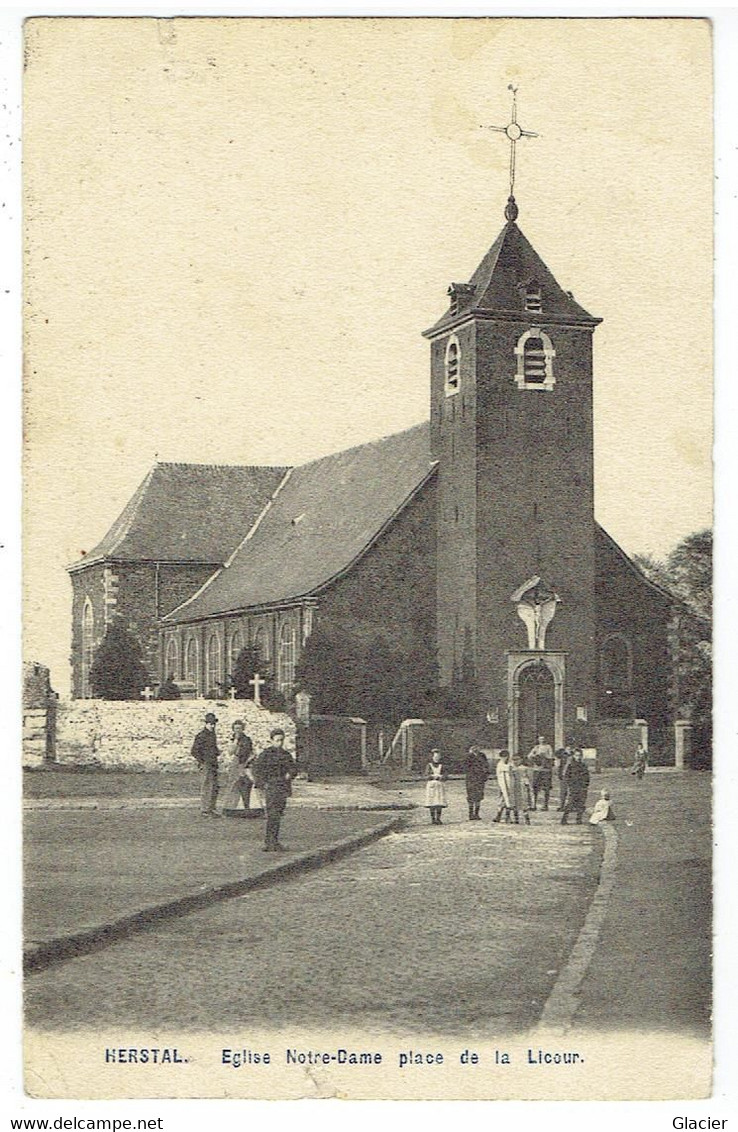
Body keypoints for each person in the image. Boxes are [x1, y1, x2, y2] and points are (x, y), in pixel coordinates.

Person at [251, 728, 296, 851]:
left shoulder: (286, 755)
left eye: (282, 740)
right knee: (273, 814)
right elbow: (256, 770)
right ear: (271, 741)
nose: (280, 743)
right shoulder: (265, 755)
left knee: (278, 814)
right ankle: (270, 842)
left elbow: (293, 768)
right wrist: (262, 784)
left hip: (282, 787)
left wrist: (290, 774)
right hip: (271, 787)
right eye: (277, 740)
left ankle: (273, 841)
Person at [221, 719, 255, 816]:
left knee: (246, 785)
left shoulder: (247, 739)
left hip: (244, 763)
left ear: (243, 729)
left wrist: (247, 763)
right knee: (233, 785)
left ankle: (246, 808)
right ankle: (230, 808)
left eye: (239, 728)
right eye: (236, 728)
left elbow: (251, 752)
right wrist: (235, 740)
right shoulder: (232, 740)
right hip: (235, 764)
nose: (237, 730)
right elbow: (230, 752)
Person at [191, 711, 221, 817]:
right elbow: (194, 751)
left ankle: (211, 808)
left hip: (213, 764)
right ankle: (204, 809)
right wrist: (202, 761)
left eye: (213, 724)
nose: (212, 726)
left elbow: (213, 749)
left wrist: (217, 752)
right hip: (206, 764)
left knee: (215, 786)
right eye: (210, 723)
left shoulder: (213, 735)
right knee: (207, 786)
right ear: (206, 723)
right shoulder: (201, 735)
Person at [560, 748, 590, 825]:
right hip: (574, 786)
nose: (578, 757)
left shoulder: (583, 765)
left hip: (582, 786)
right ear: (573, 756)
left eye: (580, 755)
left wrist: (585, 784)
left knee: (581, 803)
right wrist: (570, 784)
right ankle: (564, 819)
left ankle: (579, 819)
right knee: (570, 802)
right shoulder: (570, 765)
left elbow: (587, 776)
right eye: (577, 755)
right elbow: (567, 776)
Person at [528, 734, 554, 811]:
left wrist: (545, 755)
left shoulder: (548, 747)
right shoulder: (536, 747)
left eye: (543, 739)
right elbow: (529, 756)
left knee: (546, 788)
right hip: (537, 770)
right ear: (538, 740)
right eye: (540, 739)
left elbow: (551, 757)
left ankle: (545, 805)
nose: (542, 740)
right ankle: (534, 805)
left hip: (546, 770)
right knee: (535, 787)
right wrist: (535, 755)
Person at [465, 745, 489, 821]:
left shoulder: (482, 755)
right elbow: (465, 767)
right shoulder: (468, 756)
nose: (476, 749)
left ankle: (476, 813)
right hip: (471, 779)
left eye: (477, 747)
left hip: (480, 779)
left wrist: (485, 775)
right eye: (474, 747)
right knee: (471, 796)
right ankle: (470, 814)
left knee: (479, 796)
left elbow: (486, 765)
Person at [424, 749, 448, 825]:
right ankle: (433, 819)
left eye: (438, 756)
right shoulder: (429, 765)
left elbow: (445, 775)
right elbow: (426, 775)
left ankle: (438, 818)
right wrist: (433, 777)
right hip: (432, 785)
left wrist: (442, 777)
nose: (436, 758)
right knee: (432, 801)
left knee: (439, 801)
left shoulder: (442, 766)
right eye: (435, 756)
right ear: (432, 757)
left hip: (440, 785)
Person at [509, 752, 533, 825]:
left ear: (521, 760)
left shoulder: (524, 768)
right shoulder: (511, 768)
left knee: (523, 802)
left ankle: (526, 819)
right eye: (513, 760)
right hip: (514, 786)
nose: (515, 761)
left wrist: (528, 785)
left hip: (522, 786)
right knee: (514, 802)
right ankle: (516, 819)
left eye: (517, 759)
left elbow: (529, 778)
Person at [492, 749, 513, 823]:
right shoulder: (500, 764)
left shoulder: (511, 763)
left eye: (505, 756)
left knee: (509, 800)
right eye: (502, 756)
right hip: (503, 784)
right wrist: (499, 785)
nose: (504, 758)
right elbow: (498, 775)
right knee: (502, 800)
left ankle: (508, 816)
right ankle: (498, 815)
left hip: (511, 784)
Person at [555, 746, 571, 811]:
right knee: (563, 792)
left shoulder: (573, 758)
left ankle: (569, 806)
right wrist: (559, 774)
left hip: (571, 776)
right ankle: (562, 806)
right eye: (567, 749)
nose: (568, 751)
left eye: (569, 749)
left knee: (570, 792)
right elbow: (560, 767)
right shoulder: (563, 758)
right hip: (564, 776)